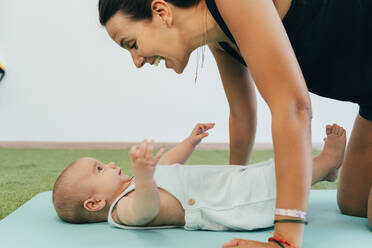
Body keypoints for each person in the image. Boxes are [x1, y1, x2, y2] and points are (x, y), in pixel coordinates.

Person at [97, 1, 372, 247]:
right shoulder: (220, 38)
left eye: (131, 44)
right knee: (353, 205)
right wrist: (234, 188)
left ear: (161, 11)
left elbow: (293, 108)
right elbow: (242, 113)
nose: (137, 61)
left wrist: (284, 240)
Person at [53, 123, 350, 239]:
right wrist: (143, 178)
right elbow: (145, 210)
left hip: (224, 184)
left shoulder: (134, 183)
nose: (111, 164)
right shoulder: (123, 209)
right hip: (229, 204)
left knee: (269, 171)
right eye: (99, 170)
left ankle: (322, 171)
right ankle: (326, 164)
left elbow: (169, 162)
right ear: (95, 203)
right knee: (275, 183)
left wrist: (189, 142)